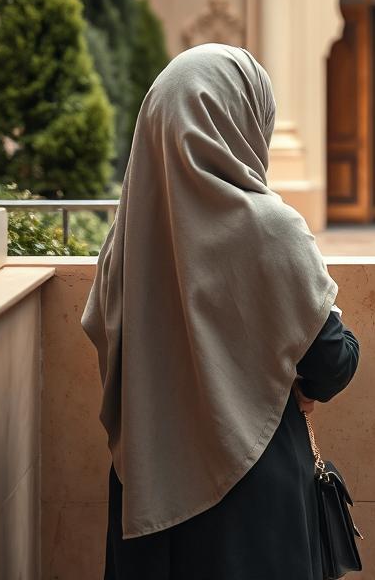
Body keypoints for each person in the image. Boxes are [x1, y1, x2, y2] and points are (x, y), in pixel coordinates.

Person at [82, 44, 359, 579]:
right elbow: (332, 365)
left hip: (146, 493)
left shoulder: (122, 244)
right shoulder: (271, 229)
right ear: (243, 119)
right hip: (254, 503)